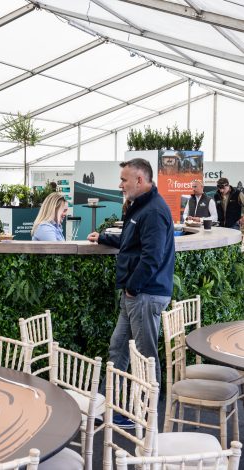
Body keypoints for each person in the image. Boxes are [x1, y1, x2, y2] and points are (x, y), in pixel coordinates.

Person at [88, 158, 174, 406]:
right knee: (118, 349)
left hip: (144, 295)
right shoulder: (139, 207)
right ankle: (110, 404)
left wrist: (133, 288)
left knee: (145, 356)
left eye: (124, 180)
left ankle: (148, 413)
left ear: (139, 179)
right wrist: (103, 238)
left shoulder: (154, 211)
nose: (120, 185)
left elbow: (152, 258)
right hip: (134, 295)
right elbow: (131, 241)